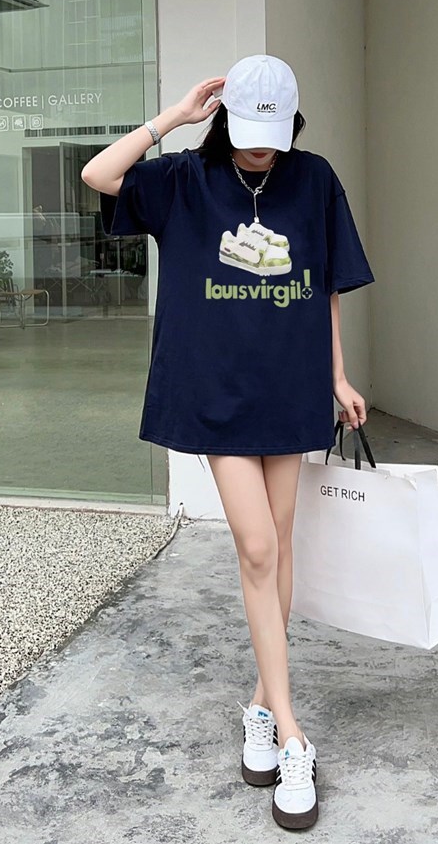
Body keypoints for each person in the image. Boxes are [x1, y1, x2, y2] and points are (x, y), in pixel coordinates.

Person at [81, 54, 375, 830]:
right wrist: (172, 117)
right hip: (216, 394)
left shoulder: (314, 179)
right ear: (226, 122)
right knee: (257, 546)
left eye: (273, 132)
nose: (262, 147)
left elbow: (327, 287)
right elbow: (98, 174)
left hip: (291, 384)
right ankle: (293, 732)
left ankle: (260, 708)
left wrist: (338, 376)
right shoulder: (185, 178)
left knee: (279, 543)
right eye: (248, 132)